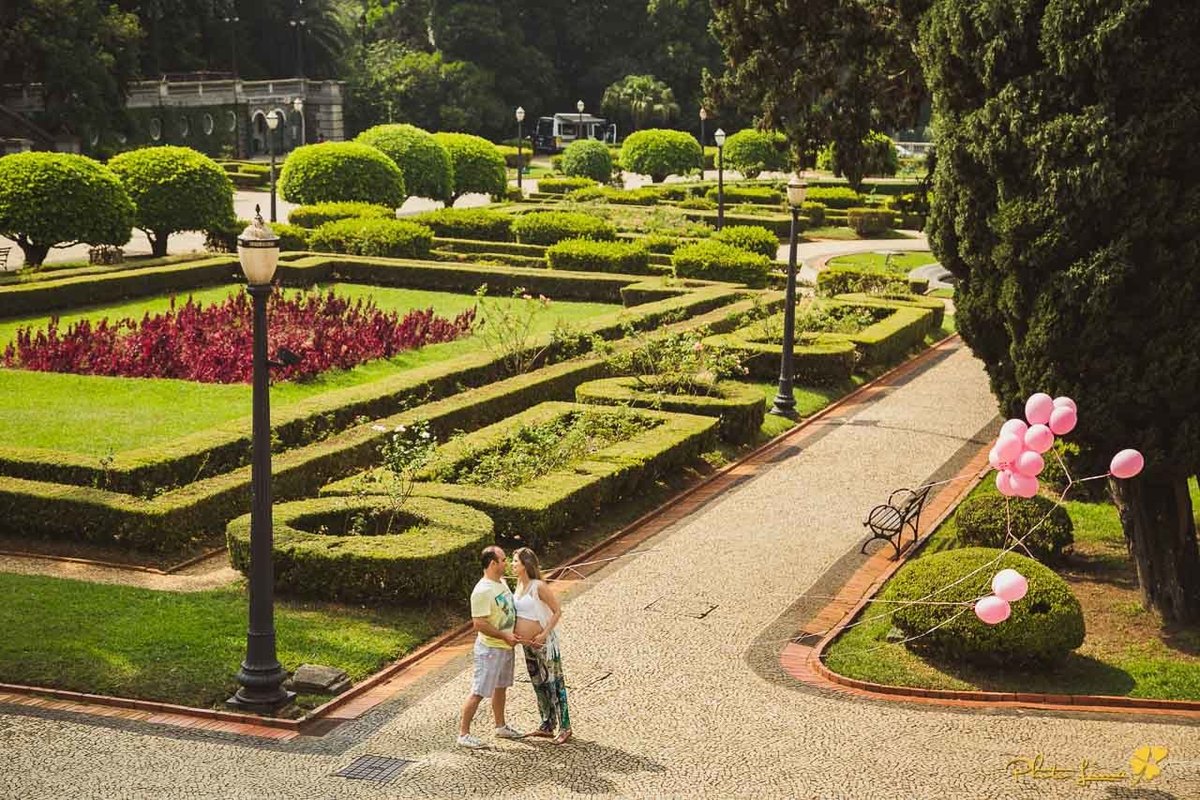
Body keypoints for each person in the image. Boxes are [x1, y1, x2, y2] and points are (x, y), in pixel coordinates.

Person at [457, 545, 524, 748]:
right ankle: (464, 734)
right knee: (479, 691)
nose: (506, 563)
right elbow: (479, 623)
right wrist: (503, 634)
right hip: (491, 649)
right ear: (493, 563)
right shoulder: (482, 591)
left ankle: (500, 726)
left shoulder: (501, 582)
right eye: (503, 560)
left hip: (505, 646)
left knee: (500, 687)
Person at [512, 547, 572, 744]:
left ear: (526, 564)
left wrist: (544, 634)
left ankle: (565, 726)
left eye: (516, 561)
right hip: (527, 645)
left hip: (544, 643)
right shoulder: (518, 586)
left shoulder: (538, 586)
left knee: (555, 683)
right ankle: (546, 722)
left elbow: (556, 611)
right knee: (538, 684)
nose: (513, 565)